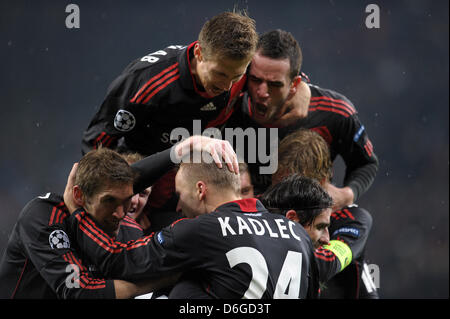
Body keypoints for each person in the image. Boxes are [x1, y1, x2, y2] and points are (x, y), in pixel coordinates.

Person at [0, 135, 235, 299]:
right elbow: (79, 291)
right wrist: (156, 281)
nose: (120, 213)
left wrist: (182, 149)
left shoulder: (129, 229)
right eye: (109, 202)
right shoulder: (43, 216)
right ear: (79, 195)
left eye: (127, 200)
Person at [64, 151, 320, 299]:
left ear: (200, 190)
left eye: (180, 194)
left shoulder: (201, 229)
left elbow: (116, 259)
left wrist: (77, 213)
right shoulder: (296, 232)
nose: (177, 207)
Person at [225, 29, 379, 211]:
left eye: (275, 84)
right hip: (243, 218)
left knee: (360, 218)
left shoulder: (334, 113)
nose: (262, 92)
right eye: (256, 80)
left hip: (303, 221)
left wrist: (347, 194)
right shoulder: (228, 103)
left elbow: (366, 163)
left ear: (295, 84)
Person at [81, 11, 258, 156]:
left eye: (236, 77)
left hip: (194, 166)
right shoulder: (147, 81)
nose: (227, 86)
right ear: (199, 53)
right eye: (220, 74)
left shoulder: (247, 72)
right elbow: (96, 145)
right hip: (142, 169)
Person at [268, 128, 379, 298]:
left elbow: (326, 263)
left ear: (318, 183)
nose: (281, 194)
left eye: (292, 187)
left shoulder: (352, 219)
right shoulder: (271, 204)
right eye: (278, 184)